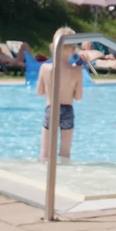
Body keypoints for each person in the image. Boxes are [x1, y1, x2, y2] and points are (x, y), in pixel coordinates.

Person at [36, 27, 84, 161]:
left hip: (51, 109)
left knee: (45, 153)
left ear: (52, 47)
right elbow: (79, 96)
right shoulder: (77, 71)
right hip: (67, 110)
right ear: (74, 50)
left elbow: (39, 92)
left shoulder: (45, 68)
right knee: (65, 153)